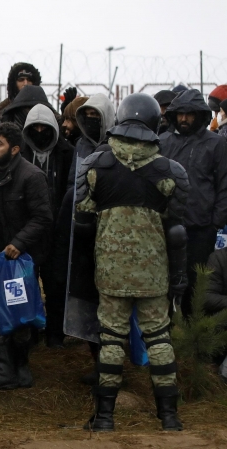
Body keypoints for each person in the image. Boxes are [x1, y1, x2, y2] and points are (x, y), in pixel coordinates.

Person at [77, 93, 188, 432]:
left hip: (109, 272)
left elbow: (82, 223)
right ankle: (169, 418)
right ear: (156, 123)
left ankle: (106, 419)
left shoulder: (95, 166)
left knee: (111, 340)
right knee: (159, 339)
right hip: (154, 273)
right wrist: (179, 276)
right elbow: (179, 230)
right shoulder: (170, 171)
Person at [0, 121, 53, 392]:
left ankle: (21, 368)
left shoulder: (32, 177)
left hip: (19, 259)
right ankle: (4, 371)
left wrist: (19, 243)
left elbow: (43, 218)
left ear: (16, 149)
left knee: (18, 311)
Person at [160, 89, 227, 317]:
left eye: (189, 114)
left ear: (199, 115)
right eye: (180, 114)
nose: (184, 119)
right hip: (167, 225)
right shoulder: (164, 142)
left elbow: (224, 185)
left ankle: (192, 333)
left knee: (196, 284)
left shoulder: (216, 144)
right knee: (165, 279)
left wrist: (214, 224)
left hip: (201, 229)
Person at [20, 104, 73, 348]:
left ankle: (55, 333)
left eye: (45, 127)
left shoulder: (66, 153)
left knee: (56, 285)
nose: (40, 131)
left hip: (57, 230)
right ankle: (28, 331)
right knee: (27, 283)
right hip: (28, 230)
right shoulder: (20, 154)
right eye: (35, 128)